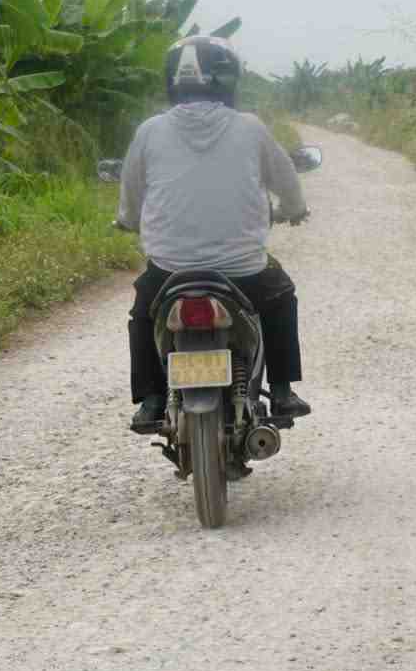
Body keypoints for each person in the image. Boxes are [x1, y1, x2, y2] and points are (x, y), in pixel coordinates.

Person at [114, 35, 312, 434]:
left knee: (142, 315)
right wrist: (295, 209)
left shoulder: (149, 132)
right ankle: (282, 389)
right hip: (243, 269)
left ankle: (151, 399)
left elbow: (132, 193)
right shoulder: (251, 128)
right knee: (280, 297)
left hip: (170, 270)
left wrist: (127, 219)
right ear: (228, 79)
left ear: (172, 80)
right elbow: (286, 181)